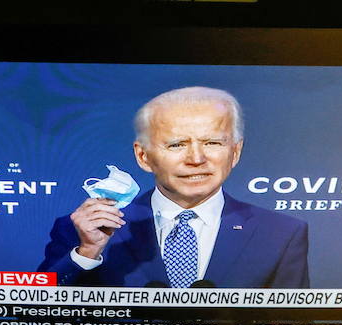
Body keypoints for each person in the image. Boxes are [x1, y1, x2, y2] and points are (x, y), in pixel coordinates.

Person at [38, 87, 310, 288]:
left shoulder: (282, 233)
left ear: (235, 153)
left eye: (213, 143)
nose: (196, 159)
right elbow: (39, 319)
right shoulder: (83, 230)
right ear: (143, 156)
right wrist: (86, 252)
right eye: (177, 144)